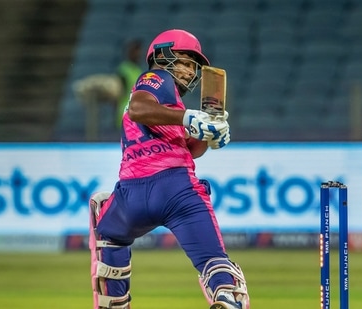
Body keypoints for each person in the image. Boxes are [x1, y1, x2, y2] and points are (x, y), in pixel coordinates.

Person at [88, 29, 249, 309]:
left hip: (131, 196)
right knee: (214, 263)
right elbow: (138, 108)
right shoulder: (155, 78)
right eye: (184, 61)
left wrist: (208, 135)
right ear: (162, 56)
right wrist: (188, 117)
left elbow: (190, 148)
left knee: (109, 231)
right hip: (177, 189)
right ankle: (225, 295)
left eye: (193, 66)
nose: (189, 71)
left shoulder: (171, 102)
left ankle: (113, 301)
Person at [115, 39, 143, 129]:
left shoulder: (138, 70)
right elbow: (118, 93)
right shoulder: (123, 70)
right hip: (124, 111)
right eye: (134, 51)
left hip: (137, 113)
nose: (137, 54)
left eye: (138, 51)